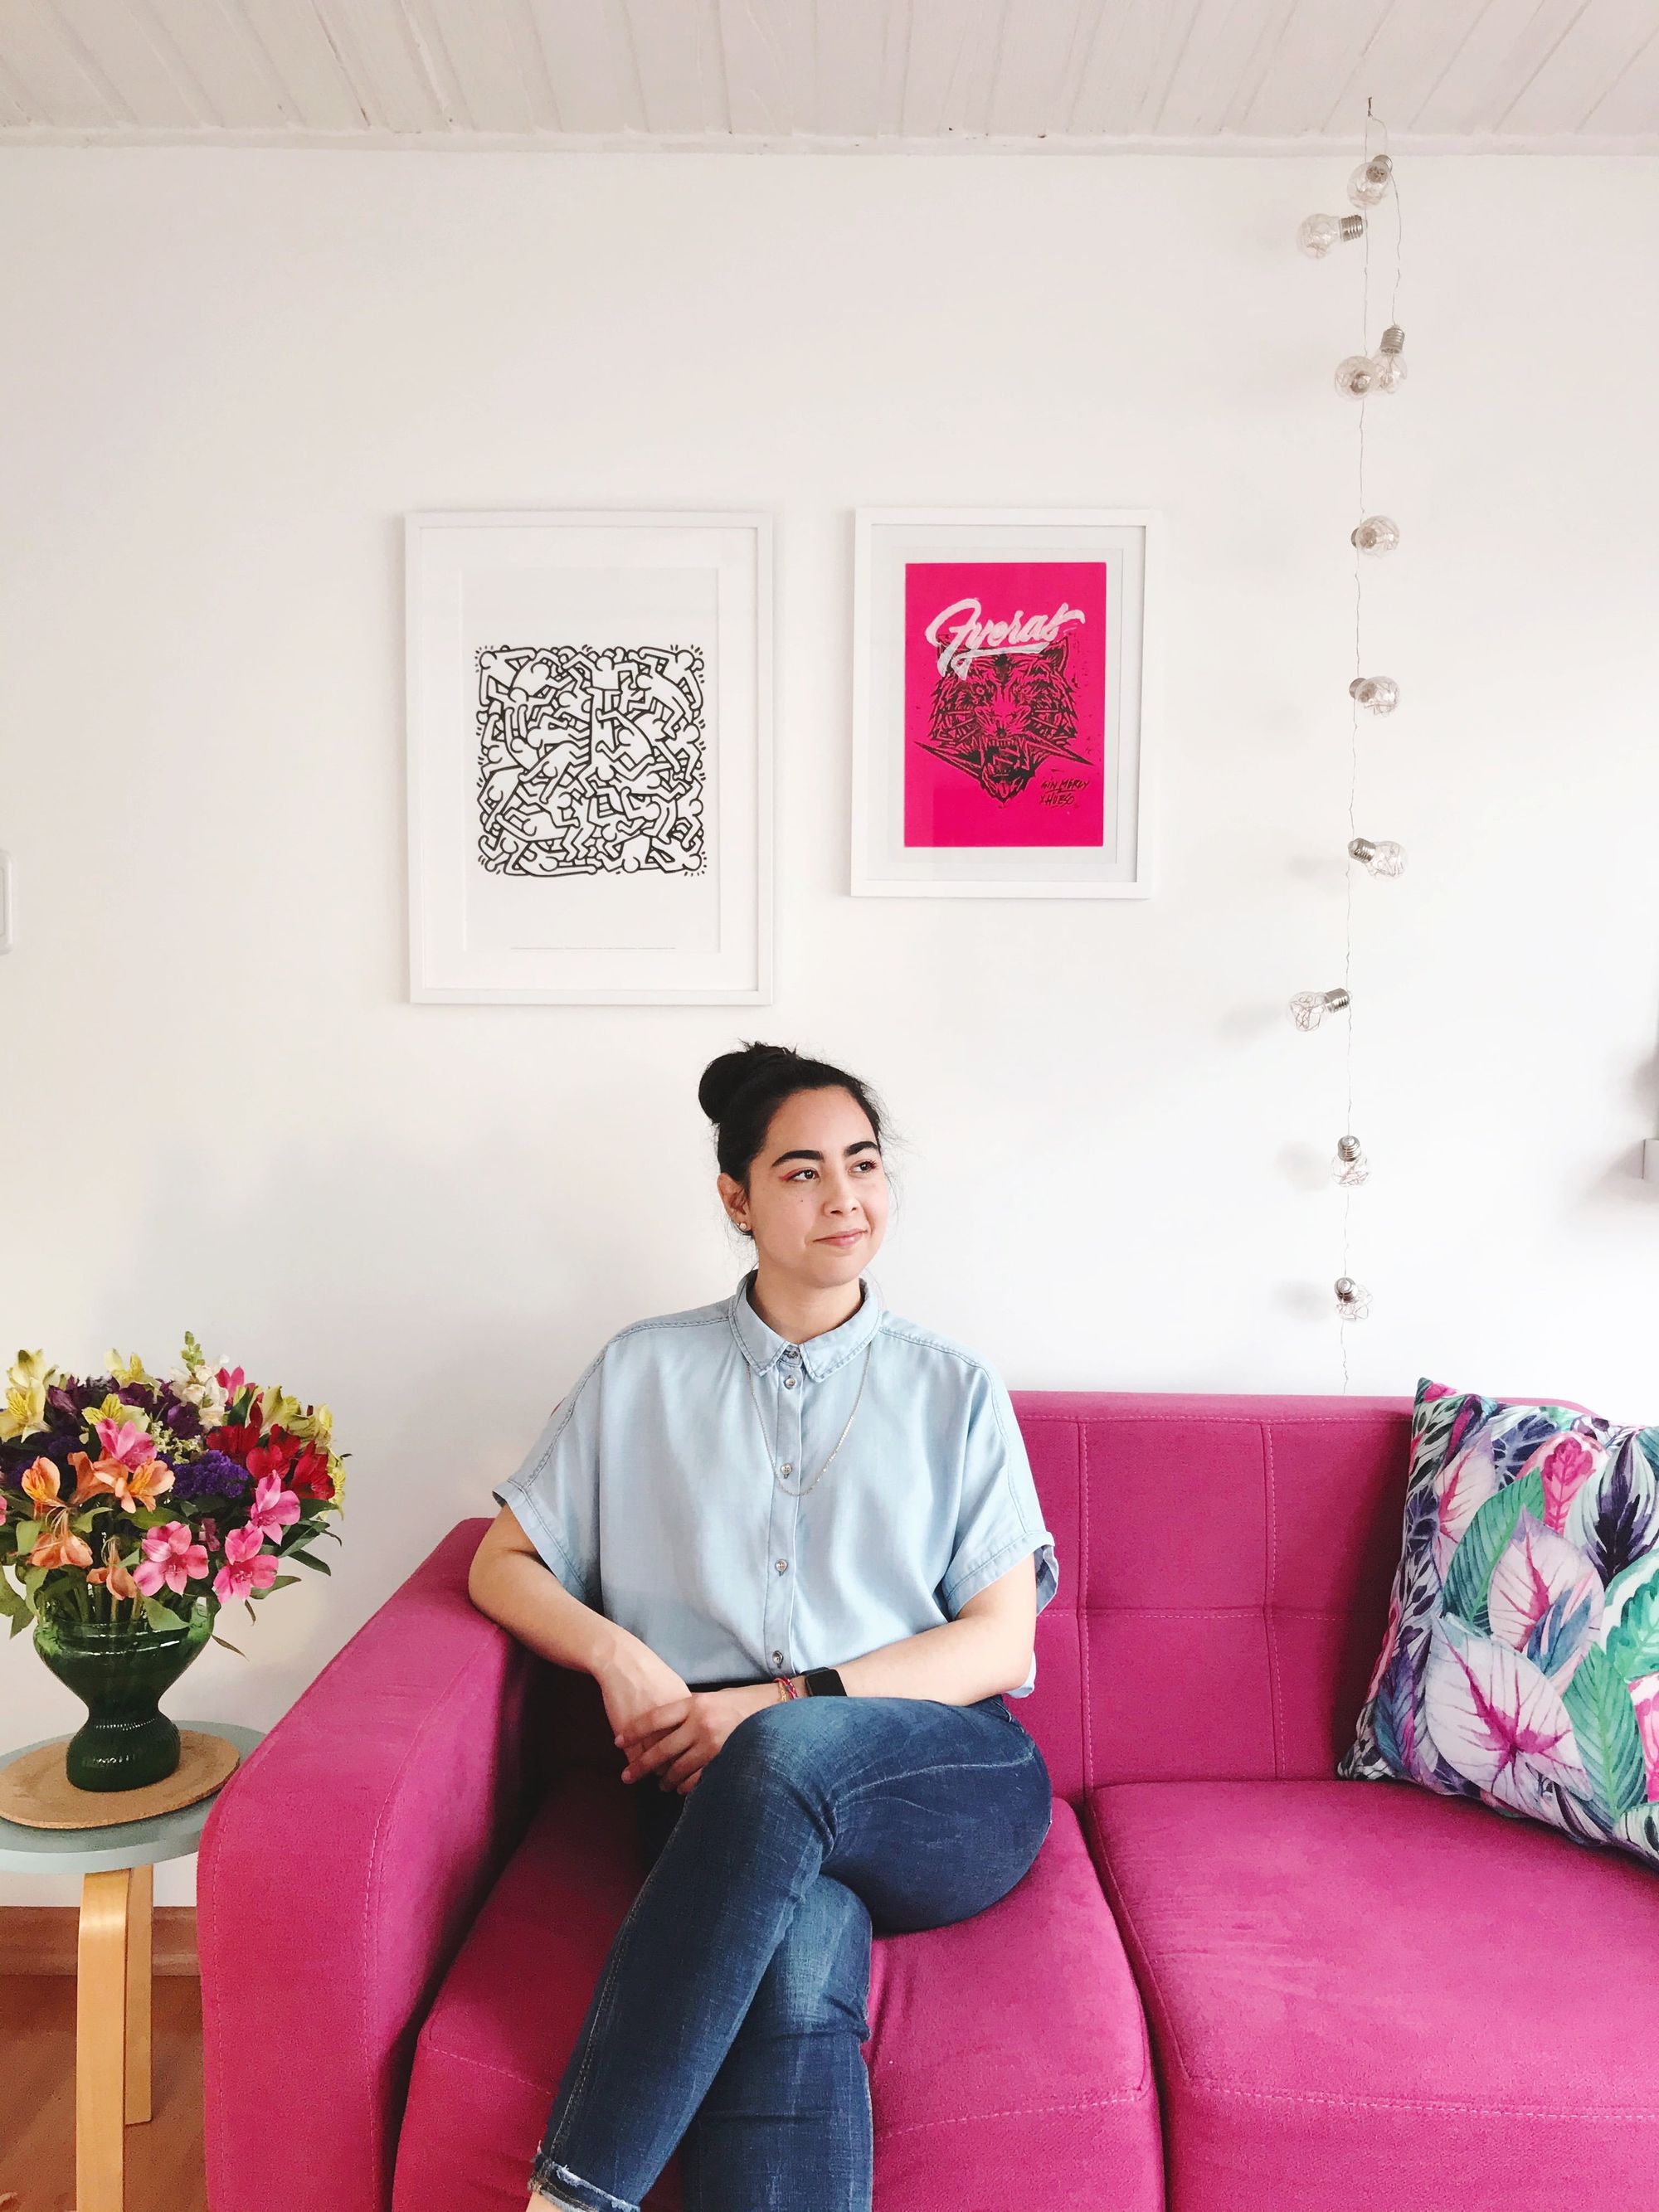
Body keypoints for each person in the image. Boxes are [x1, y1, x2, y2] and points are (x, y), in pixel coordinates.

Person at [468, 1040, 1060, 2212]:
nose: (845, 1196)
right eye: (802, 1171)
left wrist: (776, 1706)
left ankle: (571, 2195)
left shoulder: (952, 1386)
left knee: (780, 1749)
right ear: (736, 1200)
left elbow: (1004, 1642)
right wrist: (620, 1657)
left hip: (945, 1783)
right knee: (791, 1973)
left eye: (864, 1164)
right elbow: (503, 1564)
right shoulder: (642, 1372)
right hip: (722, 1808)